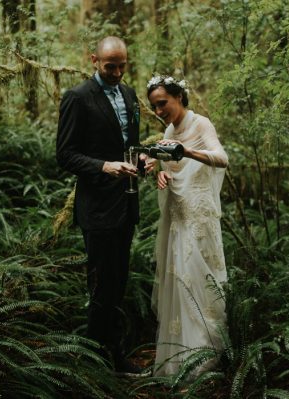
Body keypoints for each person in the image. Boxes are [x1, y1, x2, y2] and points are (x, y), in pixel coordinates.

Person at [56, 36, 145, 376]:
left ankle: (110, 357)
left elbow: (131, 144)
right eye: (110, 66)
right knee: (100, 286)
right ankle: (95, 363)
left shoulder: (129, 94)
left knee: (118, 282)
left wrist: (144, 160)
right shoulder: (77, 98)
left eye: (122, 66)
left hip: (127, 204)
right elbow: (65, 154)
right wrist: (103, 166)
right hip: (97, 208)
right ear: (93, 59)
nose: (117, 72)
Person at [145, 75, 228, 377]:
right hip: (177, 218)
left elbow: (222, 158)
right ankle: (179, 362)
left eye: (162, 103)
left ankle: (204, 362)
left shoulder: (200, 124)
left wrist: (187, 151)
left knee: (199, 284)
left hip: (198, 219)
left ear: (178, 96)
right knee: (178, 283)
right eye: (154, 107)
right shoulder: (168, 130)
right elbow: (170, 167)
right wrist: (160, 174)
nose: (159, 111)